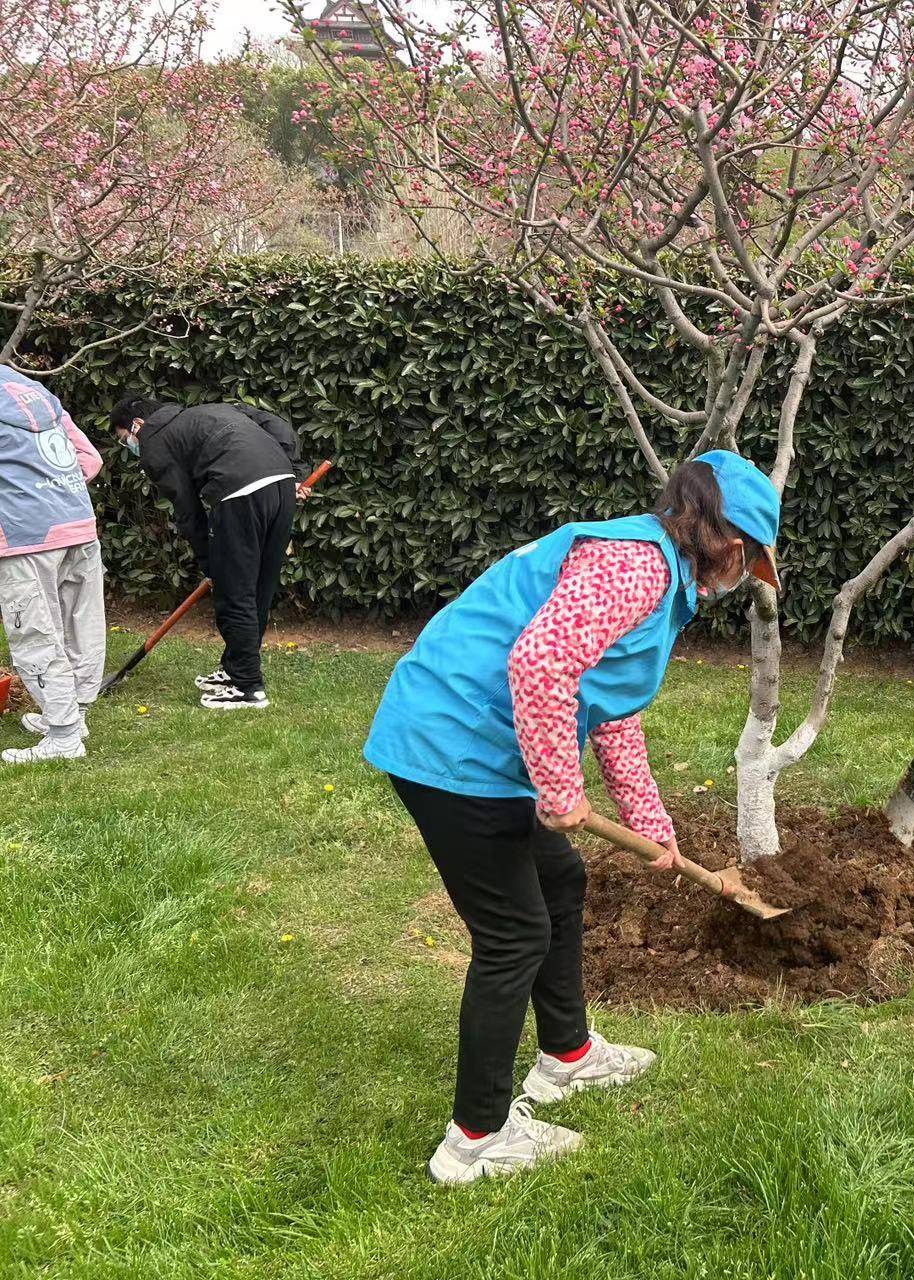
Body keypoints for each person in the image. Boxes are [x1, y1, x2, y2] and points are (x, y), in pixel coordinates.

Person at [363, 450, 781, 1185]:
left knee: (560, 881)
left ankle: (568, 1056)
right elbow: (542, 665)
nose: (741, 577)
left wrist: (652, 823)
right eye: (748, 561)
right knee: (512, 934)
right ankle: (475, 1140)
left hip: (481, 744)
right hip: (452, 747)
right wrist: (558, 787)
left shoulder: (653, 569)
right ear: (732, 543)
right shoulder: (635, 566)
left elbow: (609, 708)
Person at [110, 393, 309, 710]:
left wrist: (210, 563)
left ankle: (247, 687)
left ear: (137, 424)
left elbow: (187, 509)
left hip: (240, 491)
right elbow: (278, 426)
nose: (130, 447)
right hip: (282, 484)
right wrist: (295, 472)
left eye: (125, 440)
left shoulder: (154, 443)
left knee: (235, 592)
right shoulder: (210, 409)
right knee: (258, 587)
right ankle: (235, 669)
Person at [0, 365, 107, 765]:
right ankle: (71, 717)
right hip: (77, 524)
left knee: (35, 632)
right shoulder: (30, 388)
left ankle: (63, 738)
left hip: (24, 534)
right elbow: (90, 460)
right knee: (81, 625)